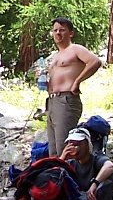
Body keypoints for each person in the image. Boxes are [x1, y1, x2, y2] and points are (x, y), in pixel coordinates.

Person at [44, 17, 103, 157]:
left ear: (70, 33)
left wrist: (77, 81)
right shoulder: (55, 56)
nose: (58, 33)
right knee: (53, 150)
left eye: (62, 30)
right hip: (52, 102)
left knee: (64, 146)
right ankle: (56, 176)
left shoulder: (75, 49)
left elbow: (95, 62)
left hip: (66, 100)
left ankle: (70, 175)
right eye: (55, 30)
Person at [59, 127, 113, 200]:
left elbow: (110, 166)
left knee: (108, 182)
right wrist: (62, 158)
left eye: (78, 144)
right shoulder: (70, 163)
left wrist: (95, 183)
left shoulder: (96, 158)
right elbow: (52, 175)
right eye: (71, 144)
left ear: (87, 144)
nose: (74, 147)